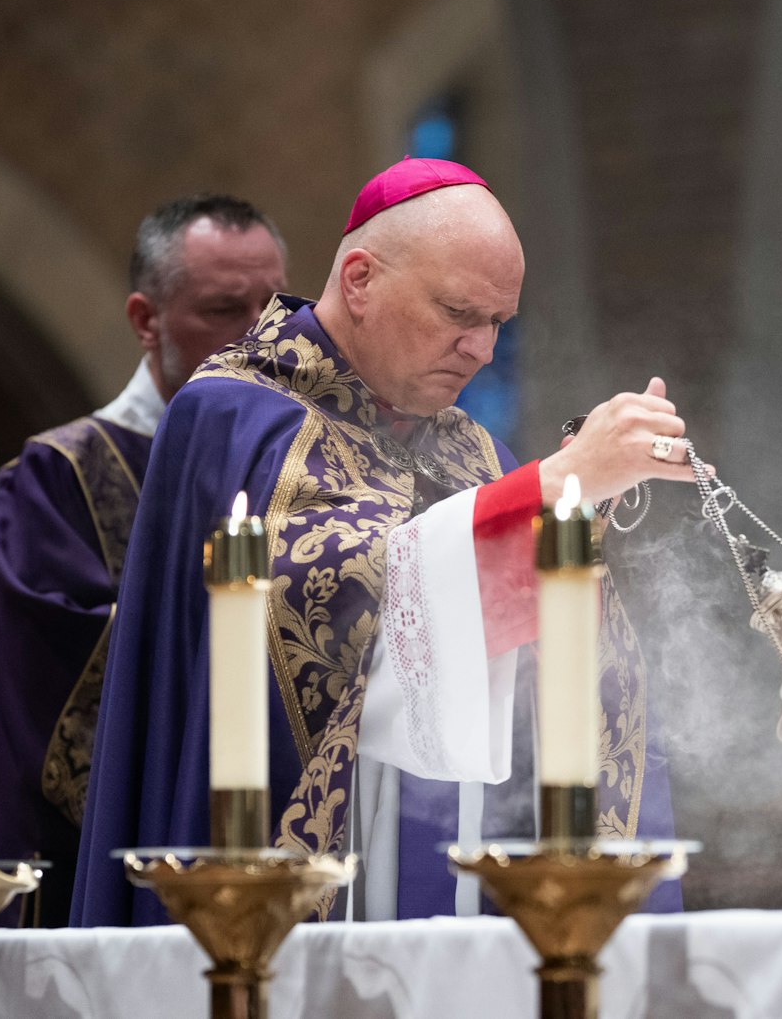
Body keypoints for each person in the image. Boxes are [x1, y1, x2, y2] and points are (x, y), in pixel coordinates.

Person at [73, 158, 694, 927]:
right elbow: (318, 610)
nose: (482, 349)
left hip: (447, 884)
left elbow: (537, 669)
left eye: (499, 322)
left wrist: (573, 518)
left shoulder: (470, 446)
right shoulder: (231, 414)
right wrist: (554, 486)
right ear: (360, 279)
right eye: (458, 312)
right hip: (276, 892)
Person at [0, 195, 287, 926]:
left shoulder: (306, 467)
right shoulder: (56, 480)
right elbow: (68, 693)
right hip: (99, 878)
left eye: (274, 305)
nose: (259, 334)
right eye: (222, 309)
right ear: (146, 321)